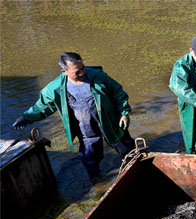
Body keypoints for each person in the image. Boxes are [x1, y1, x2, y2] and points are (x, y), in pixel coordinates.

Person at [12, 52, 135, 181]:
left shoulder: (98, 76)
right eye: (77, 71)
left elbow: (118, 93)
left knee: (127, 147)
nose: (82, 73)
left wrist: (124, 113)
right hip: (85, 128)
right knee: (90, 156)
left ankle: (135, 167)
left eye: (83, 68)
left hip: (110, 121)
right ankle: (97, 181)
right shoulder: (55, 88)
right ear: (64, 71)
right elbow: (43, 107)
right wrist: (26, 117)